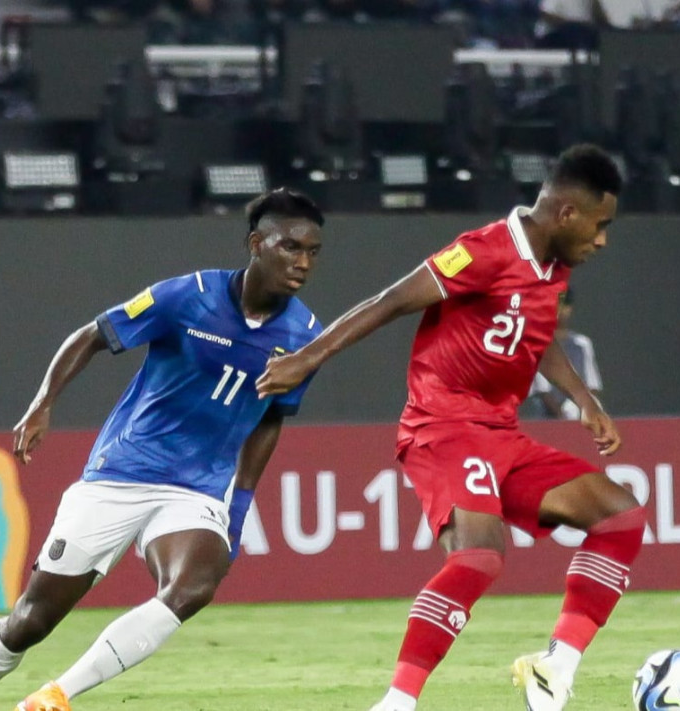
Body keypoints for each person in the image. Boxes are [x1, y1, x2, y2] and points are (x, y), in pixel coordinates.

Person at [256, 144, 645, 711]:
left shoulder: (553, 267)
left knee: (620, 516)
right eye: (600, 224)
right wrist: (307, 357)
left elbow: (534, 337)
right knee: (481, 556)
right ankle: (397, 701)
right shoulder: (482, 252)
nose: (603, 240)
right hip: (444, 425)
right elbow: (391, 301)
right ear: (567, 213)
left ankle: (556, 666)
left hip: (501, 434)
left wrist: (582, 399)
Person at [0, 188, 326, 711]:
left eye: (312, 253)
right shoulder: (187, 296)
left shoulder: (308, 335)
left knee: (192, 588)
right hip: (121, 474)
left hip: (196, 491)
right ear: (256, 243)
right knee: (32, 620)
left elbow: (270, 420)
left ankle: (54, 697)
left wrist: (239, 505)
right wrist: (43, 402)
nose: (301, 263)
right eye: (290, 247)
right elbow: (92, 335)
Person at [527, 287, 603, 420]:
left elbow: (592, 384)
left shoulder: (582, 344)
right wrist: (562, 417)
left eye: (565, 305)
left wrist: (583, 408)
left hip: (579, 410)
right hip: (548, 416)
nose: (560, 311)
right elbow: (543, 390)